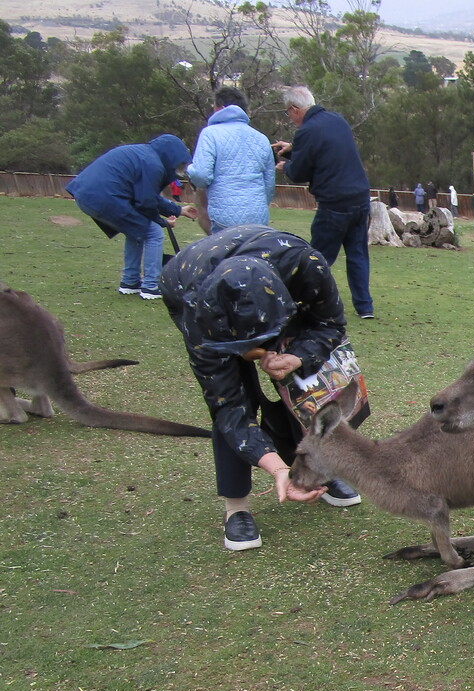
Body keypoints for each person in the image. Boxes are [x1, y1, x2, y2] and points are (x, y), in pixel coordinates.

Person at [159, 224, 364, 551]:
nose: (257, 351)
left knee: (300, 386)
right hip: (190, 287)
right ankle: (236, 507)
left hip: (279, 287)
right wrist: (277, 470)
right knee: (234, 396)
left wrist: (297, 357)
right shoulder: (196, 314)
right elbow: (228, 406)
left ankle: (312, 470)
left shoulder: (306, 266)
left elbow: (330, 325)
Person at [273, 86, 374, 320]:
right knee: (357, 253)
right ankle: (364, 307)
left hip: (334, 202)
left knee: (319, 257)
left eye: (288, 113)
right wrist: (293, 149)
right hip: (359, 198)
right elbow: (325, 152)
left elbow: (299, 171)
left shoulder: (307, 131)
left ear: (294, 109)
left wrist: (285, 166)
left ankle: (306, 301)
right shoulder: (336, 120)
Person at [66, 134, 200, 299]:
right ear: (170, 155)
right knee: (153, 233)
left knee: (137, 231)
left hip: (86, 195)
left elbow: (147, 196)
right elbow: (145, 202)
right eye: (178, 163)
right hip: (105, 197)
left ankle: (130, 282)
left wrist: (179, 210)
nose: (178, 168)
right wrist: (161, 222)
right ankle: (151, 286)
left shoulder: (144, 155)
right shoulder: (153, 165)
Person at [186, 85, 276, 233]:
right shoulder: (261, 138)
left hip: (224, 216)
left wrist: (190, 169)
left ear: (219, 108)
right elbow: (269, 184)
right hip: (257, 216)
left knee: (226, 255)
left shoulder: (210, 134)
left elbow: (201, 176)